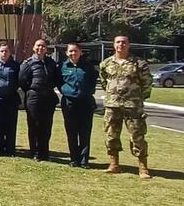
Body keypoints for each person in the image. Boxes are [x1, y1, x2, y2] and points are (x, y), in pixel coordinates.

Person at [99, 35, 153, 179]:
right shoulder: (106, 63)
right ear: (114, 44)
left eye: (124, 42)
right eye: (118, 42)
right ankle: (114, 164)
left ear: (128, 45)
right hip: (112, 105)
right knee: (111, 135)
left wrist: (138, 98)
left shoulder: (139, 63)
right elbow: (105, 82)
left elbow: (147, 83)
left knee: (137, 136)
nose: (121, 45)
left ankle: (143, 168)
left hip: (133, 105)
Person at [19, 39, 61, 162]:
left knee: (47, 125)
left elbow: (55, 79)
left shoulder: (51, 63)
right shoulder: (27, 63)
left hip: (48, 97)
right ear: (33, 47)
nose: (40, 48)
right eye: (38, 46)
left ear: (46, 48)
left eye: (43, 46)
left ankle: (44, 152)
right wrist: (32, 89)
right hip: (34, 97)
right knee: (34, 125)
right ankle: (35, 152)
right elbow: (22, 81)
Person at [59, 43, 97, 168]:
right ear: (66, 53)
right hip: (69, 103)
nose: (73, 53)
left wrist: (86, 92)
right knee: (71, 131)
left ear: (80, 52)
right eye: (70, 51)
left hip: (85, 102)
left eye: (75, 51)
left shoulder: (88, 66)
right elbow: (58, 82)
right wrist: (67, 91)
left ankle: (84, 160)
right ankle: (74, 159)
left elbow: (93, 81)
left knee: (85, 132)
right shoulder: (62, 66)